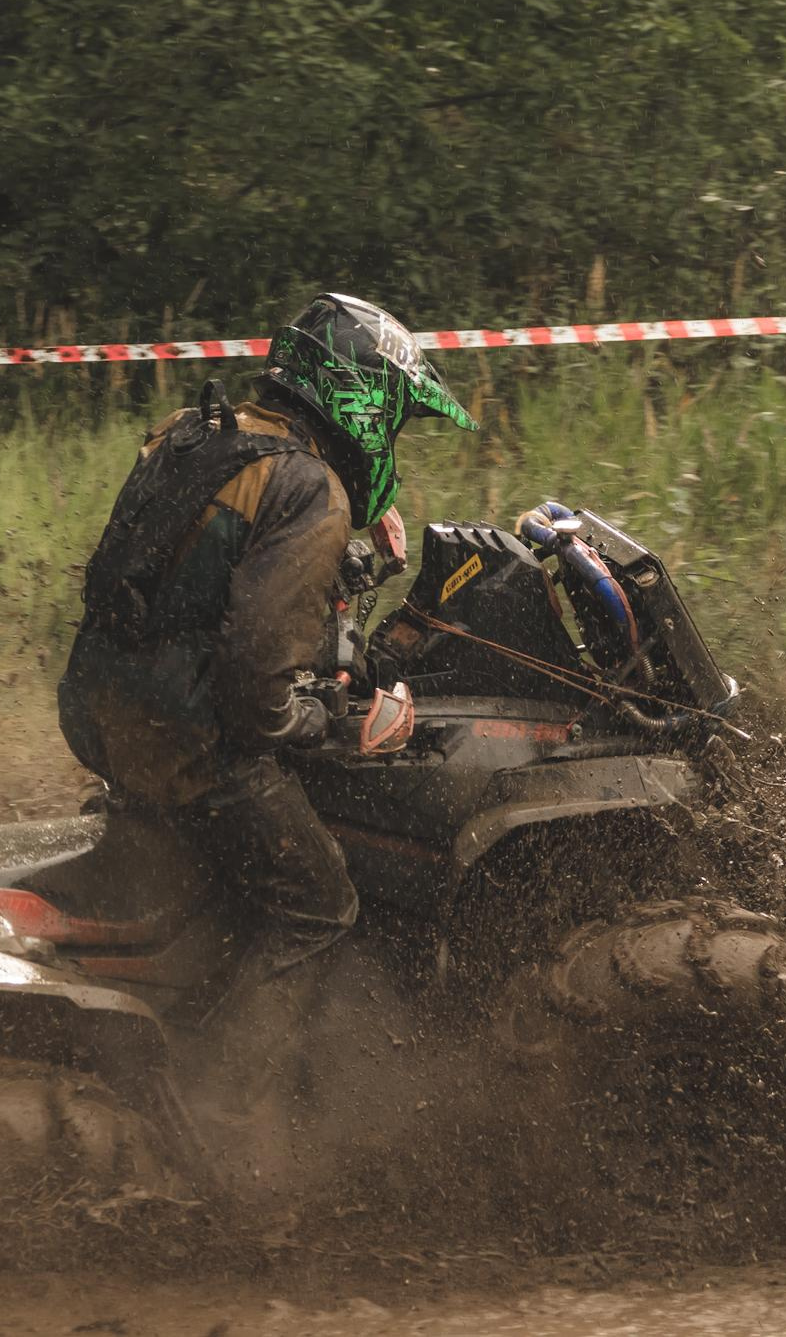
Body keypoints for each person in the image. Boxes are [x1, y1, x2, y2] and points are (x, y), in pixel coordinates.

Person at [58, 293, 477, 1106]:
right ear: (361, 399)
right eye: (392, 419)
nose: (390, 442)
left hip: (97, 708)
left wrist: (346, 558)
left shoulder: (192, 433)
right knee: (319, 903)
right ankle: (223, 1115)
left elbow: (202, 574)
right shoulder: (311, 488)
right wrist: (340, 722)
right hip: (186, 742)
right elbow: (259, 698)